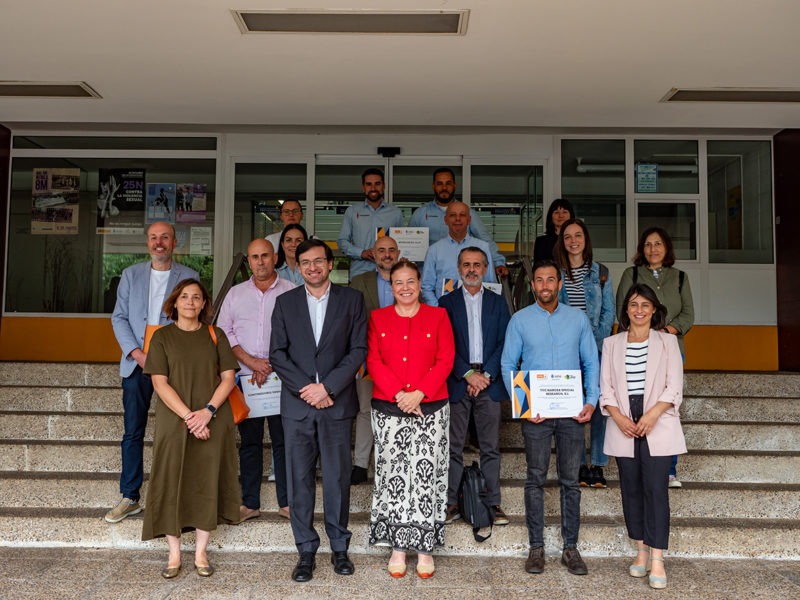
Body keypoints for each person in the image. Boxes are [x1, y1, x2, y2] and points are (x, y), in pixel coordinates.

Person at [269, 239, 367, 583]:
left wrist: (327, 387)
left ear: (330, 264)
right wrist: (308, 390)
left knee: (338, 477)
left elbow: (358, 349)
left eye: (318, 261)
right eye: (305, 262)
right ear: (298, 267)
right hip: (298, 406)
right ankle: (306, 550)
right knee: (299, 479)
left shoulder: (352, 300)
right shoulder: (285, 302)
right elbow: (277, 354)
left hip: (336, 404)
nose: (312, 267)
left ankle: (339, 548)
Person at [501, 259, 599, 576]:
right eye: (539, 280)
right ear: (533, 285)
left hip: (572, 414)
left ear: (559, 284)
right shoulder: (519, 320)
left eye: (550, 280)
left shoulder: (577, 319)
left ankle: (570, 548)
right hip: (537, 415)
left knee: (571, 481)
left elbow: (590, 362)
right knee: (535, 479)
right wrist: (525, 406)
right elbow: (508, 364)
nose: (545, 285)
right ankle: (536, 548)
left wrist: (591, 401)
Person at [142, 278, 240, 578]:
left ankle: (200, 553)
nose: (190, 302)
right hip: (175, 420)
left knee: (206, 481)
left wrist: (207, 412)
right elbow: (159, 383)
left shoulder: (215, 335)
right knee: (170, 479)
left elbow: (229, 378)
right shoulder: (161, 337)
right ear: (174, 302)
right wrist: (190, 417)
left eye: (196, 297)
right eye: (184, 296)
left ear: (204, 303)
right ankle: (174, 554)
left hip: (213, 417)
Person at [366, 259, 455, 579]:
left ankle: (425, 547)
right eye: (398, 282)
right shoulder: (378, 318)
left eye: (410, 281)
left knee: (426, 476)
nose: (405, 288)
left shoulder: (438, 315)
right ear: (391, 287)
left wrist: (419, 393)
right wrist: (400, 395)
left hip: (431, 407)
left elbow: (446, 359)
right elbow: (373, 360)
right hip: (389, 408)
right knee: (394, 475)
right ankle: (398, 547)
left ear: (419, 284)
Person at [106, 222, 198, 523]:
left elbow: (194, 318)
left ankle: (178, 493)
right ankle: (130, 496)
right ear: (147, 242)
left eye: (165, 238)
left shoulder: (189, 276)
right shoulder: (131, 275)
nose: (159, 243)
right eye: (154, 238)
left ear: (174, 242)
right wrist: (137, 353)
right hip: (137, 364)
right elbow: (119, 318)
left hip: (175, 366)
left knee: (179, 428)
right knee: (133, 430)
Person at [600, 283, 687, 590]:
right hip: (623, 420)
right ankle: (641, 551)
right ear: (626, 309)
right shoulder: (612, 343)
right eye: (634, 304)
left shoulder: (667, 342)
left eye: (645, 305)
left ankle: (658, 558)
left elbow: (674, 386)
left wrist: (651, 415)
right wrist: (619, 417)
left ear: (654, 310)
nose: (639, 310)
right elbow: (606, 388)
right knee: (631, 489)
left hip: (657, 419)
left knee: (655, 489)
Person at [217, 238, 296, 524]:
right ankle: (250, 503)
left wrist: (270, 363)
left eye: (265, 255)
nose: (260, 261)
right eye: (254, 257)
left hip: (280, 378)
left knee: (283, 441)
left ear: (275, 258)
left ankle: (287, 502)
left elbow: (299, 332)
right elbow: (224, 332)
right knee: (249, 443)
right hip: (244, 379)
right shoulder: (235, 294)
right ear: (248, 261)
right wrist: (252, 362)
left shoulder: (292, 291)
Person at [616, 227, 694, 488]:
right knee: (638, 403)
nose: (653, 249)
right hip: (636, 347)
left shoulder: (680, 277)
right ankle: (639, 465)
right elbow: (622, 310)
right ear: (642, 249)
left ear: (666, 247)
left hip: (669, 348)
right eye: (648, 244)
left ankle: (668, 470)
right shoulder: (632, 274)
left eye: (658, 243)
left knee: (667, 406)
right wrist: (645, 333)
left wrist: (664, 332)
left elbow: (688, 315)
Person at [439, 247, 511, 525]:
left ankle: (493, 504)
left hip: (489, 382)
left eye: (477, 265)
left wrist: (486, 375)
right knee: (453, 447)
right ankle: (451, 503)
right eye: (467, 265)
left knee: (490, 447)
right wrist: (468, 374)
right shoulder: (446, 303)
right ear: (459, 269)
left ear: (485, 268)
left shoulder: (498, 302)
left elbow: (504, 342)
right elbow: (444, 345)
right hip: (459, 381)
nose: (472, 269)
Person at [553, 218, 615, 488]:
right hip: (567, 350)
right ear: (562, 241)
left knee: (599, 405)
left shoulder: (601, 272)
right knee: (572, 405)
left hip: (597, 348)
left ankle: (598, 464)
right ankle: (577, 464)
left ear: (586, 239)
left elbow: (609, 311)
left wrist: (594, 342)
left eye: (578, 235)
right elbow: (553, 311)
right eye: (568, 237)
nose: (573, 241)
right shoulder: (556, 273)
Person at [348, 235, 401, 485]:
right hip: (368, 357)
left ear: (398, 253)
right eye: (382, 250)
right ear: (374, 254)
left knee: (399, 409)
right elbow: (350, 320)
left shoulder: (408, 279)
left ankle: (392, 462)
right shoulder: (360, 281)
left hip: (402, 359)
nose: (387, 254)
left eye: (391, 250)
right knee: (365, 409)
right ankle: (360, 463)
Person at [409, 168, 508, 278]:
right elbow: (409, 244)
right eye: (440, 184)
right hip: (428, 277)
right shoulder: (420, 214)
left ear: (454, 186)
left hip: (459, 278)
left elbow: (485, 240)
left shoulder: (467, 213)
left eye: (448, 183)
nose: (444, 188)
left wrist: (498, 262)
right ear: (433, 186)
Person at [421, 202, 496, 306]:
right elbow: (426, 287)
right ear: (446, 220)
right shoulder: (434, 250)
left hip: (476, 310)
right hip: (443, 311)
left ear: (469, 220)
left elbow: (490, 284)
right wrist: (438, 310)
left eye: (462, 215)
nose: (457, 219)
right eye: (452, 215)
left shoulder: (483, 247)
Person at [337, 168, 405, 280]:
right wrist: (361, 253)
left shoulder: (395, 213)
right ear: (363, 187)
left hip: (389, 274)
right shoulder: (352, 212)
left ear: (383, 186)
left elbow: (402, 242)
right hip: (360, 273)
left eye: (377, 184)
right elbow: (342, 241)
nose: (373, 188)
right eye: (369, 184)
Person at [533, 198, 575, 263]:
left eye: (565, 212)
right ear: (551, 216)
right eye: (556, 212)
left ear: (571, 216)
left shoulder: (576, 240)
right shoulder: (541, 242)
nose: (561, 216)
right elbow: (538, 266)